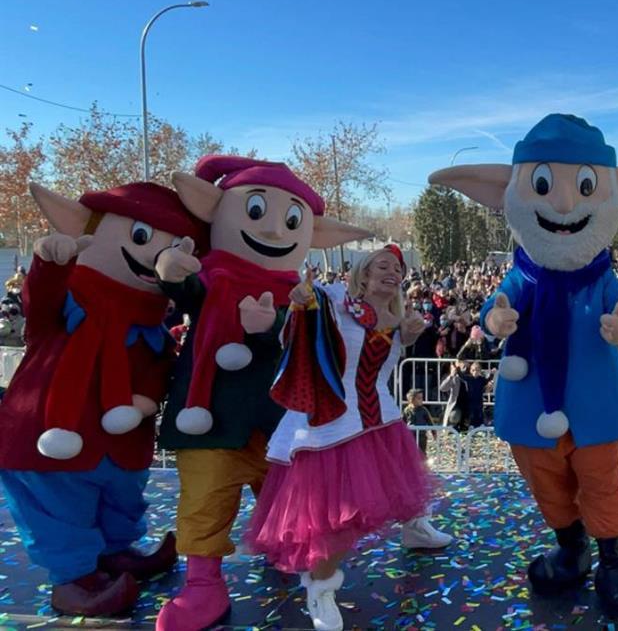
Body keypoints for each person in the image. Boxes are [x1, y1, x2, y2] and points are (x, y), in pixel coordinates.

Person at [431, 114, 618, 623]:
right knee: (545, 482)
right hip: (531, 404)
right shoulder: (521, 275)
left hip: (593, 404)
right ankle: (571, 546)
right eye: (545, 186)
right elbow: (497, 303)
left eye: (585, 186)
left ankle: (614, 559)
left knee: (601, 481)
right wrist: (496, 317)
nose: (565, 204)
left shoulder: (602, 278)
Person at [152, 156, 369, 631]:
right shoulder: (211, 276)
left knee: (288, 502)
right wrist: (171, 267)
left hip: (281, 426)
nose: (273, 230)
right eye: (256, 211)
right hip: (212, 416)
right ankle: (203, 584)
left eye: (290, 220)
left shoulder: (305, 294)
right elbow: (184, 292)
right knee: (205, 500)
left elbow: (319, 350)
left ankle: (286, 555)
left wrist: (272, 330)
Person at [0, 183, 205, 616]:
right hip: (52, 435)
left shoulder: (154, 325)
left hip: (122, 440)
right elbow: (39, 305)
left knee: (123, 499)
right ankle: (73, 579)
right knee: (61, 509)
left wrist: (146, 402)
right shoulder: (69, 303)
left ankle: (117, 553)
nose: (157, 256)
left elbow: (159, 368)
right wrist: (51, 264)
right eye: (145, 239)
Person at [245, 246, 448, 631]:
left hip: (379, 420)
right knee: (339, 517)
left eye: (398, 268)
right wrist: (301, 302)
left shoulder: (399, 318)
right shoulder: (335, 300)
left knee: (402, 484)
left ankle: (414, 529)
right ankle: (320, 587)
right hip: (331, 425)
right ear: (362, 274)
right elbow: (300, 327)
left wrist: (408, 335)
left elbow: (383, 369)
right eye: (382, 266)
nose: (393, 272)